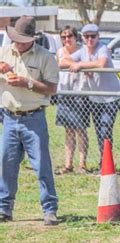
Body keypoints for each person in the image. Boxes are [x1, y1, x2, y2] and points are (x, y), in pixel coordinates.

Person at [0, 16, 59, 225]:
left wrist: (28, 83)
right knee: (6, 165)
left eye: (23, 39)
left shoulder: (45, 57)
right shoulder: (5, 52)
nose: (19, 42)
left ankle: (50, 209)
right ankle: (4, 208)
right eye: (16, 38)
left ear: (33, 39)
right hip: (8, 117)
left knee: (42, 165)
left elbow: (52, 88)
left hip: (34, 117)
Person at [60, 24, 120, 168]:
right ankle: (105, 162)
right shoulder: (82, 51)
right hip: (94, 98)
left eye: (93, 36)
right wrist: (82, 64)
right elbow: (62, 61)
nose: (90, 39)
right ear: (82, 37)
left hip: (110, 97)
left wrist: (81, 65)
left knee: (105, 129)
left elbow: (101, 64)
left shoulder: (103, 48)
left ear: (98, 37)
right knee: (99, 131)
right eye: (86, 36)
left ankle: (106, 163)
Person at [55, 25, 90, 174]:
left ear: (76, 37)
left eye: (69, 36)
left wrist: (80, 64)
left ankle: (82, 164)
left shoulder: (83, 51)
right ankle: (68, 164)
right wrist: (75, 64)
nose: (67, 39)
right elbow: (60, 63)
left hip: (80, 93)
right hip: (64, 92)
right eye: (63, 37)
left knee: (81, 130)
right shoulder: (60, 52)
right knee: (68, 130)